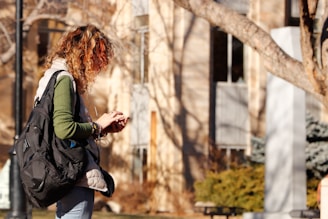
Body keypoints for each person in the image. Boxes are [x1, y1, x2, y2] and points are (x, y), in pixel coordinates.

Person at [34, 24, 128, 219]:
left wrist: (102, 129)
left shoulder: (52, 77)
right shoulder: (64, 80)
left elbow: (61, 127)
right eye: (98, 54)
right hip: (74, 170)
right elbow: (64, 129)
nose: (101, 63)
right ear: (83, 53)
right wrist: (98, 125)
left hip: (64, 168)